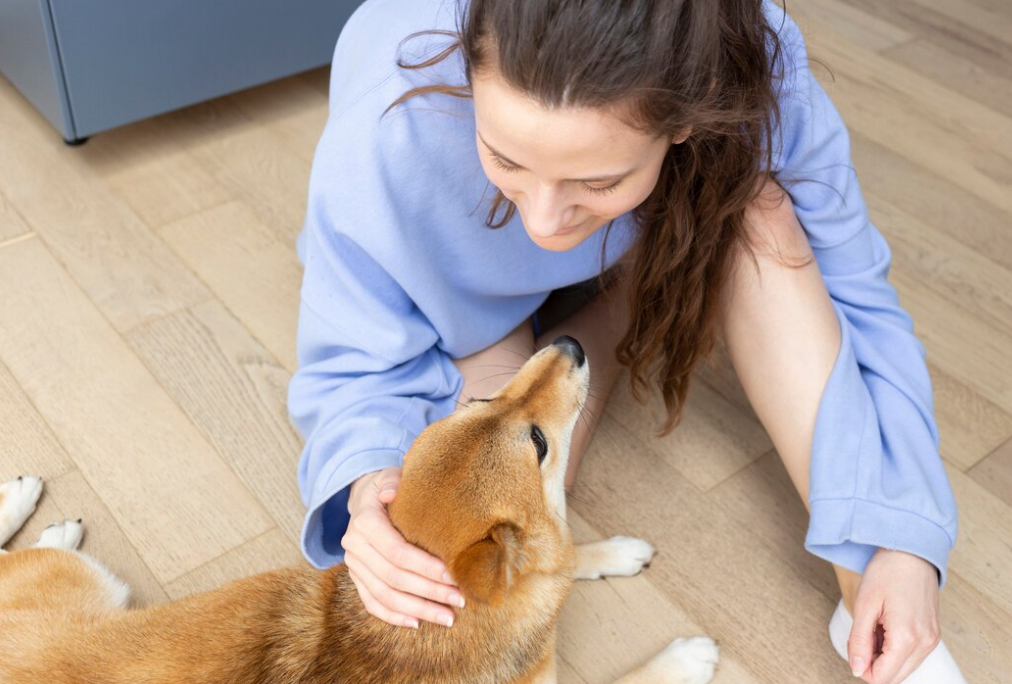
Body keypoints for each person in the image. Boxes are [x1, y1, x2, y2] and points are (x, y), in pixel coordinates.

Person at [287, 0, 965, 682]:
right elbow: (353, 351)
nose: (545, 221)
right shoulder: (393, 112)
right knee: (474, 531)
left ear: (689, 118)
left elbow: (857, 295)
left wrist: (903, 542)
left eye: (597, 179)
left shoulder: (753, 63)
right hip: (468, 303)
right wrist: (365, 485)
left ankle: (872, 607)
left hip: (661, 224)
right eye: (505, 157)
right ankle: (629, 302)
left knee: (764, 214)